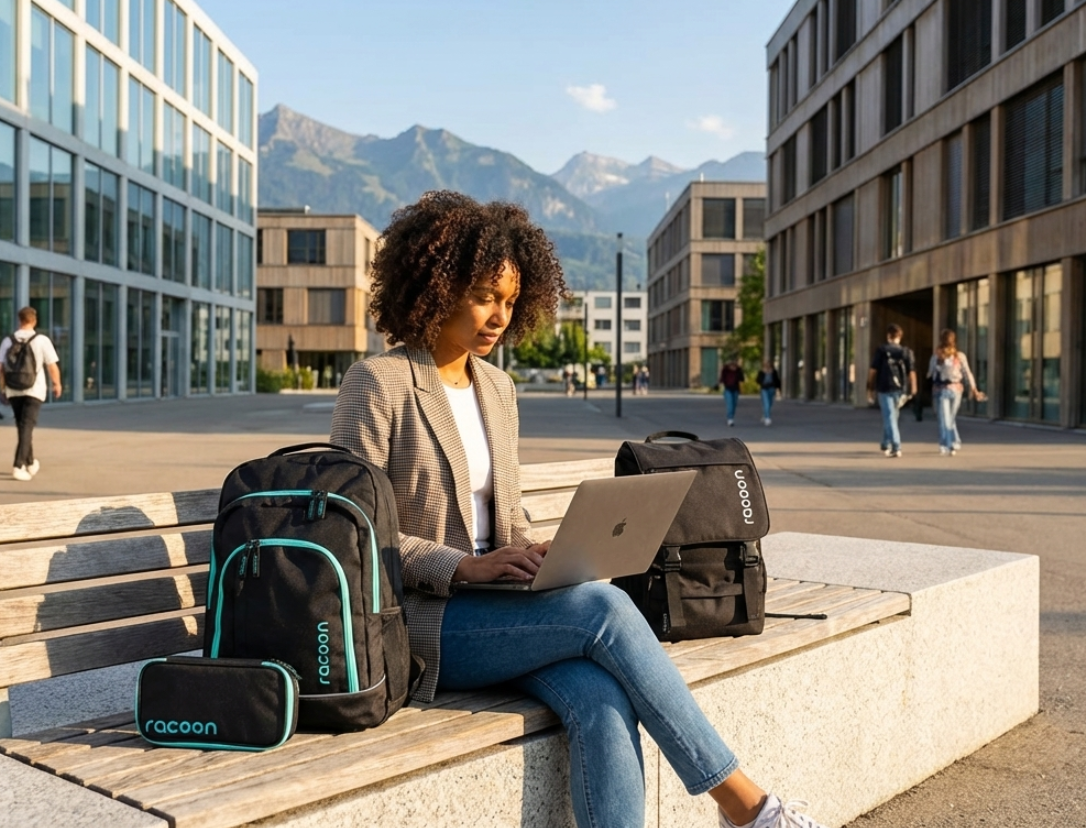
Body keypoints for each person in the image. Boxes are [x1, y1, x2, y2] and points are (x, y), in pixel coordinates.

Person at [330, 191, 829, 828]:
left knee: (600, 695)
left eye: (511, 302)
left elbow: (504, 520)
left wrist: (544, 555)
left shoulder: (499, 389)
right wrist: (463, 569)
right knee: (603, 608)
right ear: (436, 285)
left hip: (508, 608)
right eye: (485, 295)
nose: (499, 317)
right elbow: (355, 538)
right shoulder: (378, 383)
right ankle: (748, 806)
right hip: (427, 623)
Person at [0, 307, 61, 481]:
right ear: (34, 320)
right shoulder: (41, 340)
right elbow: (52, 365)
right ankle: (18, 465)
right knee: (27, 427)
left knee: (23, 427)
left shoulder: (8, 341)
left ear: (19, 320)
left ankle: (30, 462)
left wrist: (2, 387)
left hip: (13, 389)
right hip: (34, 389)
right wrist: (57, 383)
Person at [928, 329, 986, 456]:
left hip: (941, 390)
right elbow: (967, 373)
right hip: (957, 391)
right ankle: (954, 441)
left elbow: (930, 373)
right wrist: (974, 389)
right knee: (950, 418)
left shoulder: (936, 356)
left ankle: (946, 445)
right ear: (954, 341)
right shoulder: (960, 356)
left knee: (944, 419)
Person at [867, 323, 917, 458]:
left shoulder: (882, 350)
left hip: (884, 387)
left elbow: (873, 371)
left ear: (888, 336)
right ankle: (886, 442)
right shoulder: (906, 351)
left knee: (889, 416)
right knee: (892, 416)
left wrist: (869, 388)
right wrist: (913, 388)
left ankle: (896, 446)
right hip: (900, 389)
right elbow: (911, 372)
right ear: (900, 336)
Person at [719, 358, 745, 426]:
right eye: (731, 365)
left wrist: (739, 371)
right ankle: (730, 419)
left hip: (736, 389)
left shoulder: (738, 371)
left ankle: (731, 417)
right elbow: (722, 379)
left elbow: (742, 379)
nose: (733, 367)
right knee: (730, 404)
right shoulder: (725, 370)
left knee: (734, 405)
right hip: (728, 389)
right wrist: (721, 385)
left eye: (734, 365)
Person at [756, 361, 780, 426]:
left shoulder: (774, 372)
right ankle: (767, 418)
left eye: (769, 365)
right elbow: (757, 380)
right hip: (764, 389)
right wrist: (762, 382)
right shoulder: (761, 372)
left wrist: (778, 388)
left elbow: (777, 380)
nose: (768, 366)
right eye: (766, 365)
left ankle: (765, 414)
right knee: (766, 403)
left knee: (770, 403)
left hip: (771, 388)